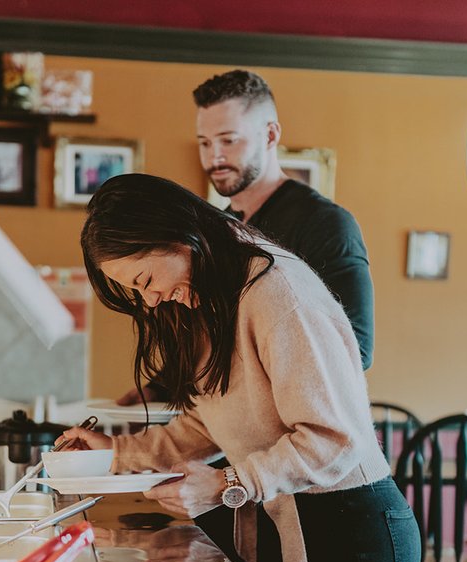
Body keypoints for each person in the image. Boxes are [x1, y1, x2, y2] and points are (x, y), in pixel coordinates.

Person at [61, 173, 417, 562]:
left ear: (179, 238)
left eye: (145, 280)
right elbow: (211, 420)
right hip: (287, 525)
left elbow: (335, 439)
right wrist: (115, 454)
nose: (152, 300)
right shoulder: (213, 297)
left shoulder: (277, 293)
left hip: (352, 536)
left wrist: (229, 483)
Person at [117, 68, 374, 407]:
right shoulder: (217, 227)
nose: (215, 157)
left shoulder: (325, 223)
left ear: (270, 135)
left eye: (228, 140)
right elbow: (212, 331)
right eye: (205, 143)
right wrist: (159, 388)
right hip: (225, 425)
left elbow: (356, 346)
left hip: (300, 424)